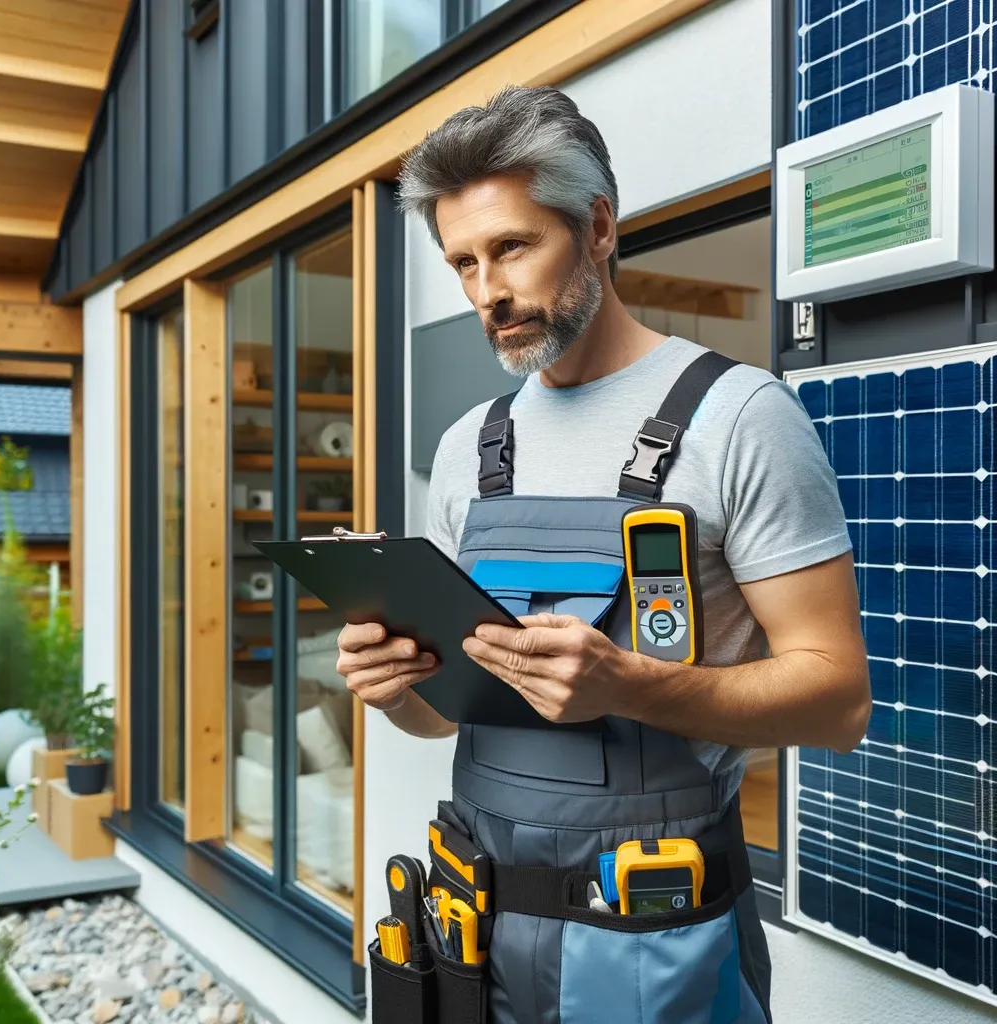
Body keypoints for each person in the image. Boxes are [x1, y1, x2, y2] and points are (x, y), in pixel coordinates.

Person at [337, 85, 871, 1024]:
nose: (487, 292)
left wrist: (630, 686)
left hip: (654, 941)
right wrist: (396, 688)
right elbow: (444, 722)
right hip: (476, 933)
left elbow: (840, 703)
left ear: (598, 227)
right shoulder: (471, 446)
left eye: (511, 248)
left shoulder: (742, 419)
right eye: (462, 262)